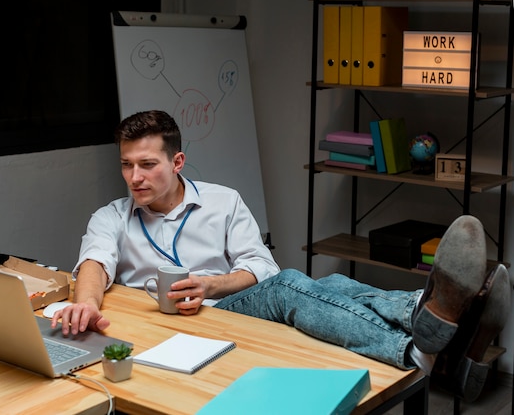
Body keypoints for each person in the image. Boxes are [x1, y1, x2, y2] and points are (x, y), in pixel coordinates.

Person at [53, 110, 510, 401]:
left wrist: (212, 284)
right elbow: (94, 262)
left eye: (147, 164)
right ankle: (434, 324)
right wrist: (88, 305)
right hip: (167, 329)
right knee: (301, 285)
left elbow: (260, 268)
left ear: (177, 163)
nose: (134, 177)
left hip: (222, 306)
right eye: (126, 164)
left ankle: (421, 348)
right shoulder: (112, 215)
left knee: (308, 285)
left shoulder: (223, 201)